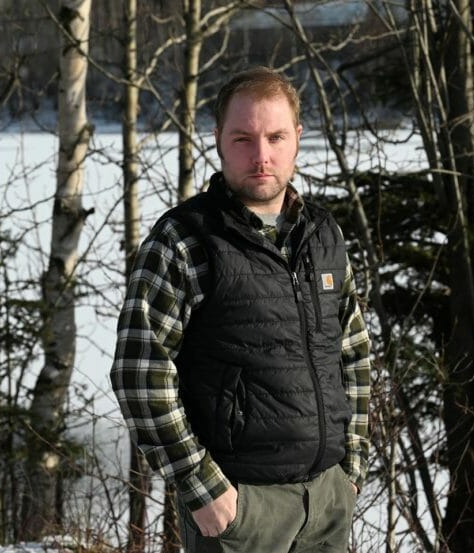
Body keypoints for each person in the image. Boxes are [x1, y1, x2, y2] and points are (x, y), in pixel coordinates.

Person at [111, 66, 371, 553]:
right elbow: (139, 372)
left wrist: (351, 467)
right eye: (243, 139)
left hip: (327, 502)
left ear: (297, 137)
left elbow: (353, 355)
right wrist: (202, 487)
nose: (261, 156)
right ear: (218, 140)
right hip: (242, 509)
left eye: (275, 137)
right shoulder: (185, 239)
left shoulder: (324, 236)